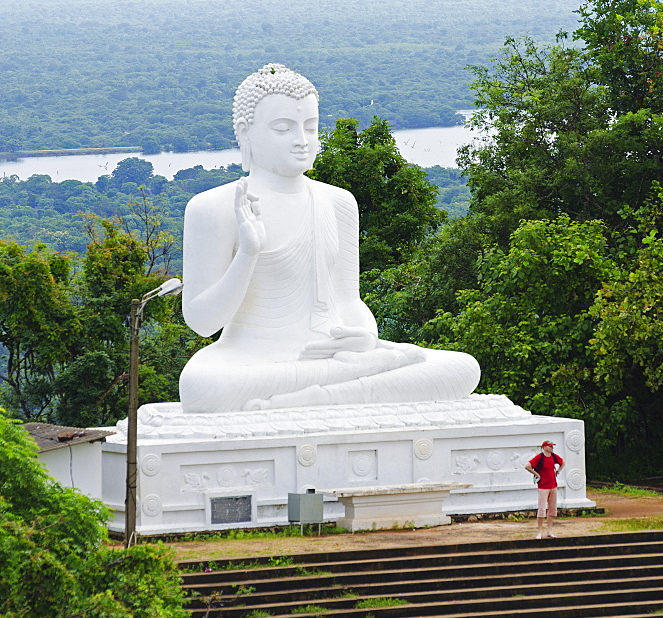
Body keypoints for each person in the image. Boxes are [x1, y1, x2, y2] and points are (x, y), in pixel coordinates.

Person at [179, 63, 481, 413]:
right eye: (283, 128)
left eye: (311, 127)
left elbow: (348, 302)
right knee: (202, 387)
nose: (301, 141)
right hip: (251, 361)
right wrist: (248, 253)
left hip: (336, 358)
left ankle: (318, 398)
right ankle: (335, 392)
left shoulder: (338, 201)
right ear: (246, 133)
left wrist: (365, 335)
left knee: (461, 368)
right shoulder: (212, 207)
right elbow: (202, 323)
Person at [525, 440, 565, 539]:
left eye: (552, 446)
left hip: (553, 485)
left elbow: (563, 463)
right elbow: (527, 466)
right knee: (542, 509)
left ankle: (549, 530)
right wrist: (537, 474)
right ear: (544, 447)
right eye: (550, 446)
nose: (552, 448)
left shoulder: (554, 456)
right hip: (543, 486)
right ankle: (539, 531)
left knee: (552, 509)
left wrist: (558, 472)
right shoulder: (540, 457)